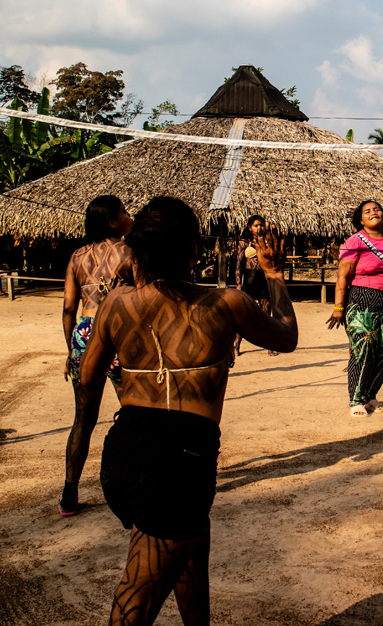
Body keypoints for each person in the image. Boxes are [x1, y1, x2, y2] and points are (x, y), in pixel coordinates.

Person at [81, 196, 297, 625]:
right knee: (136, 599)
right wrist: (273, 273)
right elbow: (286, 336)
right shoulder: (225, 303)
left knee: (190, 545)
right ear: (193, 252)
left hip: (122, 454)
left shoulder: (116, 304)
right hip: (178, 461)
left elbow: (87, 379)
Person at [59, 195, 135, 517]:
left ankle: (69, 493)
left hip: (85, 334)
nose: (129, 215)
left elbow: (68, 309)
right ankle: (131, 486)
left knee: (83, 419)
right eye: (124, 212)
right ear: (112, 222)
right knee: (134, 415)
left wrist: (72, 351)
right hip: (117, 332)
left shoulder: (77, 257)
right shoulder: (130, 253)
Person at [326, 200, 383, 417]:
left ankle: (370, 394)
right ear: (360, 220)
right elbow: (343, 275)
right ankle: (356, 400)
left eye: (377, 209)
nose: (373, 213)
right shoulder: (354, 241)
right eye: (367, 212)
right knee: (363, 351)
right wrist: (338, 307)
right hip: (362, 300)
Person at [234, 214, 278, 357]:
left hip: (265, 280)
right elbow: (239, 264)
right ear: (249, 227)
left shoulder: (267, 241)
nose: (258, 227)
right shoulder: (244, 242)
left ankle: (269, 344)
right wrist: (238, 284)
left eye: (260, 225)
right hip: (250, 280)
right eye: (255, 225)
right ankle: (236, 344)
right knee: (244, 315)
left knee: (266, 314)